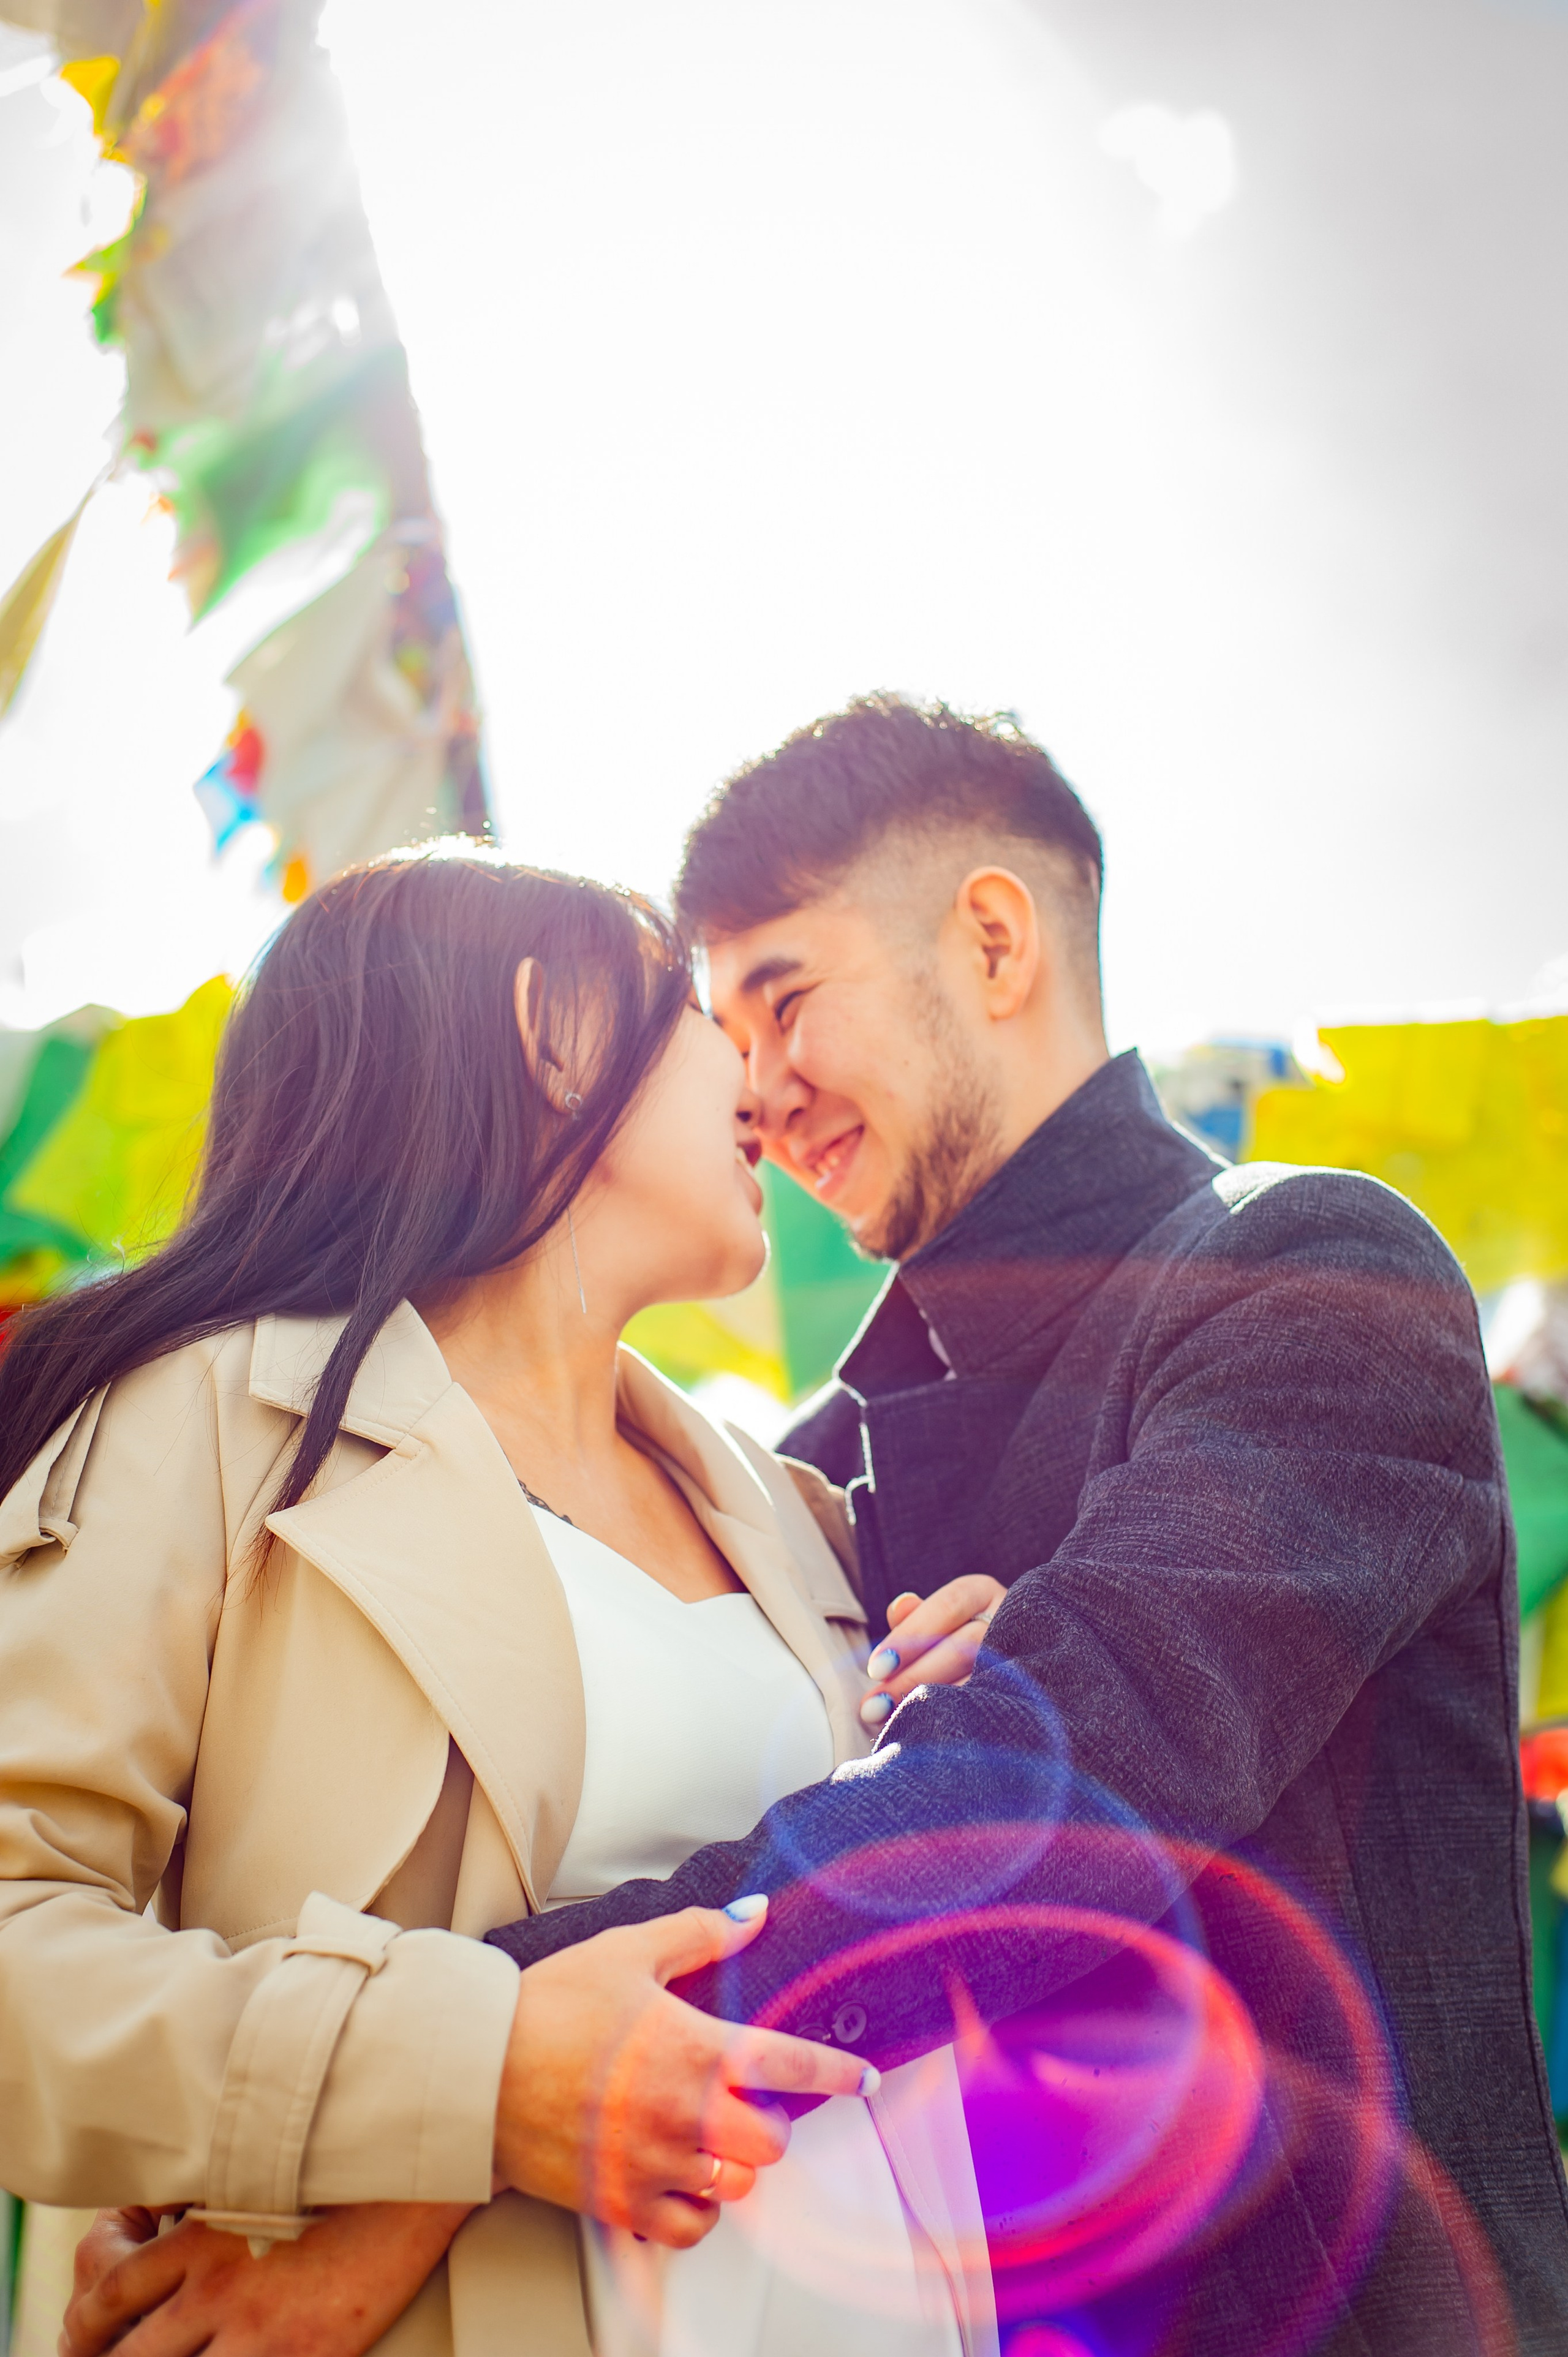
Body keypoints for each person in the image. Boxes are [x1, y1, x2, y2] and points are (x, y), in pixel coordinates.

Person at [477, 695, 1568, 2352]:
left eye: (785, 1003)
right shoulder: (805, 1463)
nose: (756, 1099)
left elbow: (1041, 1792)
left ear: (992, 939)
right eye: (727, 1043)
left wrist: (475, 2068)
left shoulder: (1311, 1268)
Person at [0, 847, 1005, 2357]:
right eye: (691, 1010)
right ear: (556, 1033)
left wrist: (987, 1672)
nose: (758, 1072)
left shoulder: (793, 1514)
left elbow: (871, 1911)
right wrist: (473, 2072)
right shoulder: (202, 1427)